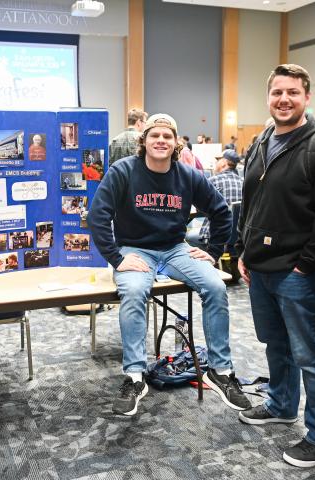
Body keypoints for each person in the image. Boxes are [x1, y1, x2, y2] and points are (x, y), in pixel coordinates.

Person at [88, 113, 252, 416]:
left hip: (175, 249)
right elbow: (97, 216)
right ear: (144, 141)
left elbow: (222, 213)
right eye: (155, 136)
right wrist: (117, 258)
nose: (161, 141)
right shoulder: (123, 171)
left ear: (175, 143)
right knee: (135, 293)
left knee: (216, 285)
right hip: (135, 249)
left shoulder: (188, 175)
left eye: (167, 136)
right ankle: (135, 377)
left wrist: (214, 252)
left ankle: (220, 370)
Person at [236, 64, 315, 468]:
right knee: (276, 344)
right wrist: (244, 250)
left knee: (311, 355)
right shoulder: (262, 140)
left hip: (299, 273)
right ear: (268, 97)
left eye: (293, 93)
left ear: (307, 97)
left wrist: (308, 264)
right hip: (261, 267)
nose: (283, 99)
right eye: (277, 93)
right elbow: (252, 202)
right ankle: (282, 404)